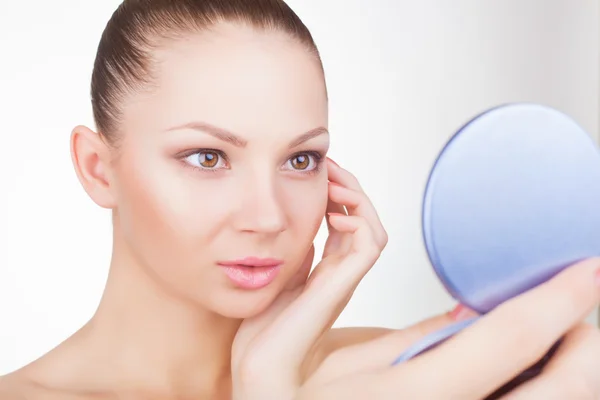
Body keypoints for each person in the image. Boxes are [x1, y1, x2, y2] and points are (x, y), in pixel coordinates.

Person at [1, 0, 599, 398]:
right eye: (208, 158)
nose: (268, 217)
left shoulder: (400, 373)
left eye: (299, 160)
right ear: (97, 167)